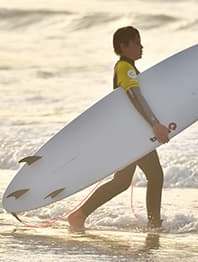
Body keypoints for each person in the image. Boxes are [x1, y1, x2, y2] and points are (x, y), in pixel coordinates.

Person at [68, 26, 170, 231]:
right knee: (155, 176)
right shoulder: (125, 67)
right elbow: (134, 96)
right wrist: (154, 124)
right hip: (134, 135)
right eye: (136, 42)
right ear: (124, 46)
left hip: (129, 133)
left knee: (122, 181)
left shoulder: (127, 67)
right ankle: (154, 224)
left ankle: (79, 215)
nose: (141, 46)